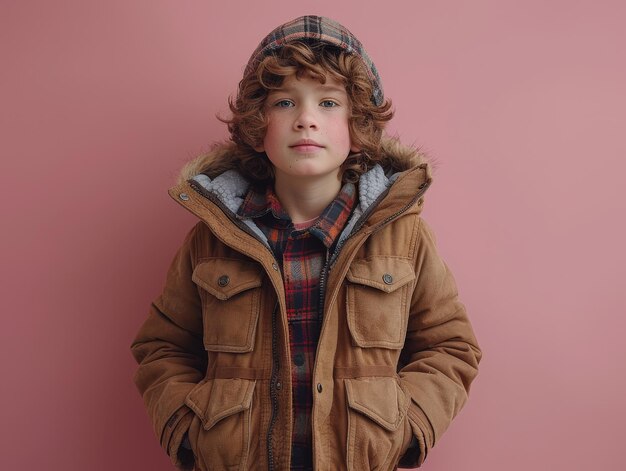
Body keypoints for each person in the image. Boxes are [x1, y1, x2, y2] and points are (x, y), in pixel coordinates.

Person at [131, 15, 482, 471]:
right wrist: (188, 432)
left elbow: (450, 346)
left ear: (359, 126)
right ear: (258, 125)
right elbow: (162, 345)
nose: (306, 120)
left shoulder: (402, 234)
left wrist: (405, 428)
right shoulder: (215, 235)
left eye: (329, 102)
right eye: (284, 103)